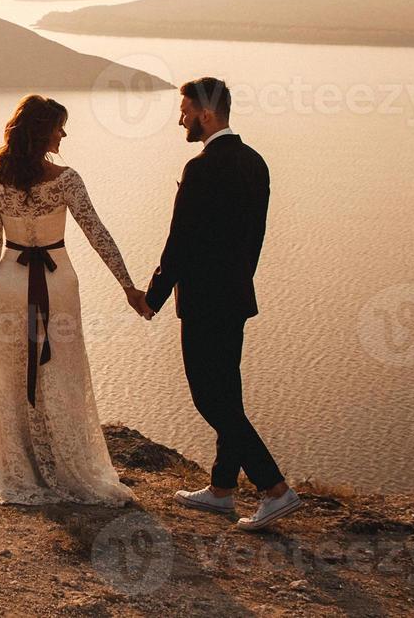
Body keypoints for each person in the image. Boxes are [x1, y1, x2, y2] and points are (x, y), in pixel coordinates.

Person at [0, 94, 149, 506]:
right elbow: (97, 234)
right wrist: (128, 287)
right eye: (59, 126)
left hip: (11, 282)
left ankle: (16, 466)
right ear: (42, 131)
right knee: (60, 371)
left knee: (10, 373)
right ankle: (61, 463)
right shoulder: (66, 180)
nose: (64, 133)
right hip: (57, 281)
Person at [145, 77, 301, 531]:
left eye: (185, 111)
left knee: (210, 399)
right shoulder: (256, 163)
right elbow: (256, 238)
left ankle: (274, 489)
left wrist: (153, 297)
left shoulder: (202, 168)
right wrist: (239, 281)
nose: (180, 119)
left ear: (206, 115)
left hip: (204, 302)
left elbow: (181, 242)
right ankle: (221, 490)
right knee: (228, 395)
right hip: (236, 297)